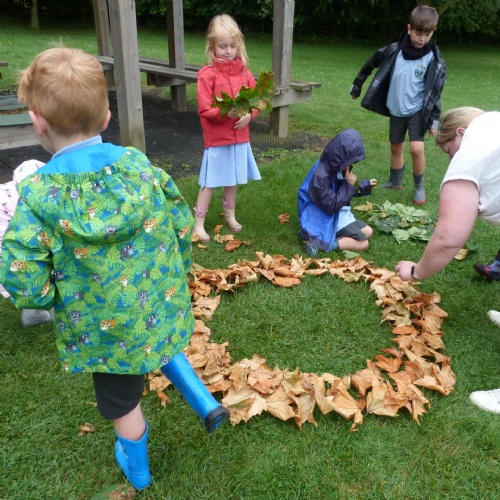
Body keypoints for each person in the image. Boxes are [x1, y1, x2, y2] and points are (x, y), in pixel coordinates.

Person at [0, 47, 229, 492]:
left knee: (122, 398)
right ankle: (204, 401)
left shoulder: (39, 195)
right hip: (156, 298)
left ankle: (137, 469)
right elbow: (180, 222)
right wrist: (176, 267)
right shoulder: (138, 166)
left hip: (103, 327)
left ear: (37, 122)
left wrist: (44, 300)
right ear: (107, 116)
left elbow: (21, 270)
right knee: (156, 340)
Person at [394, 106, 500, 413]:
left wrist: (416, 271)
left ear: (461, 134)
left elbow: (448, 238)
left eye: (448, 149)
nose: (452, 159)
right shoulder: (493, 123)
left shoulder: (470, 155)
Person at [350, 5, 446, 205]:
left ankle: (419, 186)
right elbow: (371, 63)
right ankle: (395, 181)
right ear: (409, 29)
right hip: (396, 109)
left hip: (417, 111)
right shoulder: (395, 50)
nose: (422, 39)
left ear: (433, 32)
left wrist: (434, 121)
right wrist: (357, 85)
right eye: (418, 33)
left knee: (416, 149)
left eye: (427, 35)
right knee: (395, 146)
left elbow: (434, 92)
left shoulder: (432, 59)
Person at [193, 13, 261, 242]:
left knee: (232, 179)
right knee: (210, 181)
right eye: (222, 46)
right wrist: (226, 113)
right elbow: (204, 109)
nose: (228, 51)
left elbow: (257, 100)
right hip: (217, 139)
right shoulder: (207, 75)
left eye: (232, 46)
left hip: (239, 138)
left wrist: (250, 115)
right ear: (212, 47)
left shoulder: (245, 73)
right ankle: (198, 223)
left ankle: (229, 215)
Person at [298, 129, 377, 258]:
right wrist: (349, 186)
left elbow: (342, 188)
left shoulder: (335, 166)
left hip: (338, 212)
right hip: (321, 216)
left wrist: (364, 186)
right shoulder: (320, 176)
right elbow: (330, 206)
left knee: (368, 231)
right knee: (364, 243)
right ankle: (330, 245)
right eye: (348, 162)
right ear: (339, 157)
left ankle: (337, 236)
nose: (348, 167)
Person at [0, 159, 52, 327]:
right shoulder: (22, 204)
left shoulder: (34, 195)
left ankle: (35, 313)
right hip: (7, 239)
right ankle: (37, 314)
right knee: (30, 272)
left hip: (16, 231)